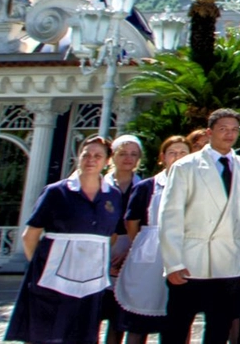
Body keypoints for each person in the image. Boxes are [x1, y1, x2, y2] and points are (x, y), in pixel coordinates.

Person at [6, 136, 124, 344]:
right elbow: (30, 235)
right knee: (48, 335)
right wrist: (42, 268)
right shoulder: (56, 192)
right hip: (53, 279)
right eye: (86, 155)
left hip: (91, 280)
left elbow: (111, 236)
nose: (90, 160)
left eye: (98, 156)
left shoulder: (113, 196)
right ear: (78, 157)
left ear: (107, 162)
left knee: (83, 335)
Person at [158, 109, 240, 344]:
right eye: (223, 129)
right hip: (191, 260)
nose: (229, 135)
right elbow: (170, 216)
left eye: (234, 130)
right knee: (177, 328)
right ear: (209, 132)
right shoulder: (186, 167)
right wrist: (173, 263)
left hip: (228, 261)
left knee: (219, 328)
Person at [115, 136, 191, 342]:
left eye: (183, 152)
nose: (177, 157)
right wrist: (146, 243)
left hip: (182, 255)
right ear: (162, 157)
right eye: (172, 152)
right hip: (148, 258)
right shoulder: (147, 187)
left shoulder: (195, 186)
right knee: (139, 318)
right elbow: (132, 222)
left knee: (177, 319)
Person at [101, 135, 144, 344]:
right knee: (96, 311)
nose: (128, 158)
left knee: (121, 316)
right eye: (123, 153)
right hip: (100, 250)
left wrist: (130, 251)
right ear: (112, 156)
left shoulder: (144, 187)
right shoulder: (99, 184)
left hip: (131, 250)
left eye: (134, 154)